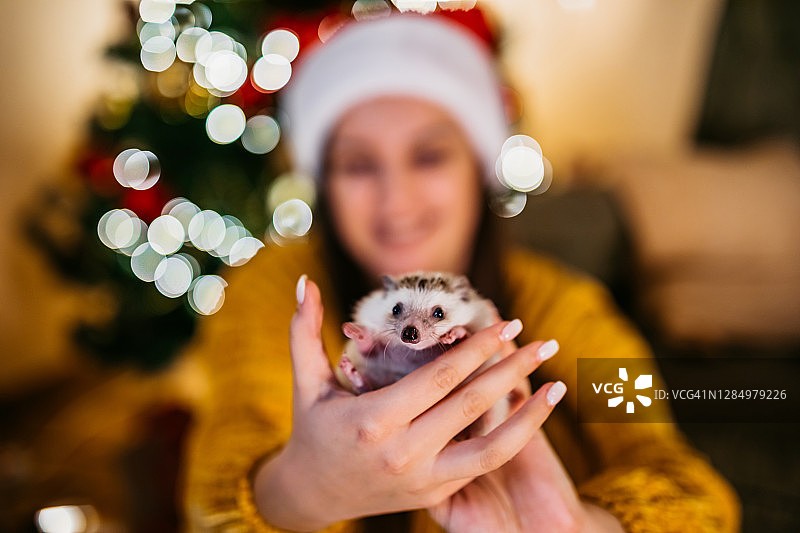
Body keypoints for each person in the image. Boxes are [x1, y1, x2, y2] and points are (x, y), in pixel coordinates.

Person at [182, 12, 740, 533]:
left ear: (478, 167)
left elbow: (686, 483)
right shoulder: (278, 291)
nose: (396, 202)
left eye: (429, 156)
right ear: (324, 185)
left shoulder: (564, 303)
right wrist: (303, 491)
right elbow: (214, 489)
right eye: (358, 165)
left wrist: (578, 524)